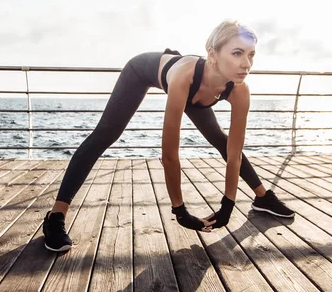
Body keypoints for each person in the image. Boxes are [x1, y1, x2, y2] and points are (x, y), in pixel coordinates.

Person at [43, 20, 295, 252]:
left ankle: (263, 197)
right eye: (237, 53)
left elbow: (234, 153)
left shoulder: (240, 89)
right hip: (142, 71)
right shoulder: (184, 77)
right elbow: (170, 154)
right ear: (212, 54)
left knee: (221, 140)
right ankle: (56, 216)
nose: (246, 64)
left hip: (199, 89)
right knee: (105, 135)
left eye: (251, 55)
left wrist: (228, 204)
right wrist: (180, 210)